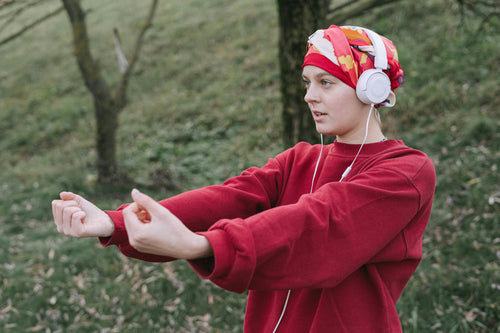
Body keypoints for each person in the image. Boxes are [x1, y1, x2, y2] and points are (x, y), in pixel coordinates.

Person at [52, 25, 436, 332]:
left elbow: (320, 223)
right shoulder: (299, 161)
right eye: (307, 82)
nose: (309, 96)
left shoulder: (406, 172)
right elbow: (228, 198)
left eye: (326, 82)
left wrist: (202, 246)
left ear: (373, 89)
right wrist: (116, 221)